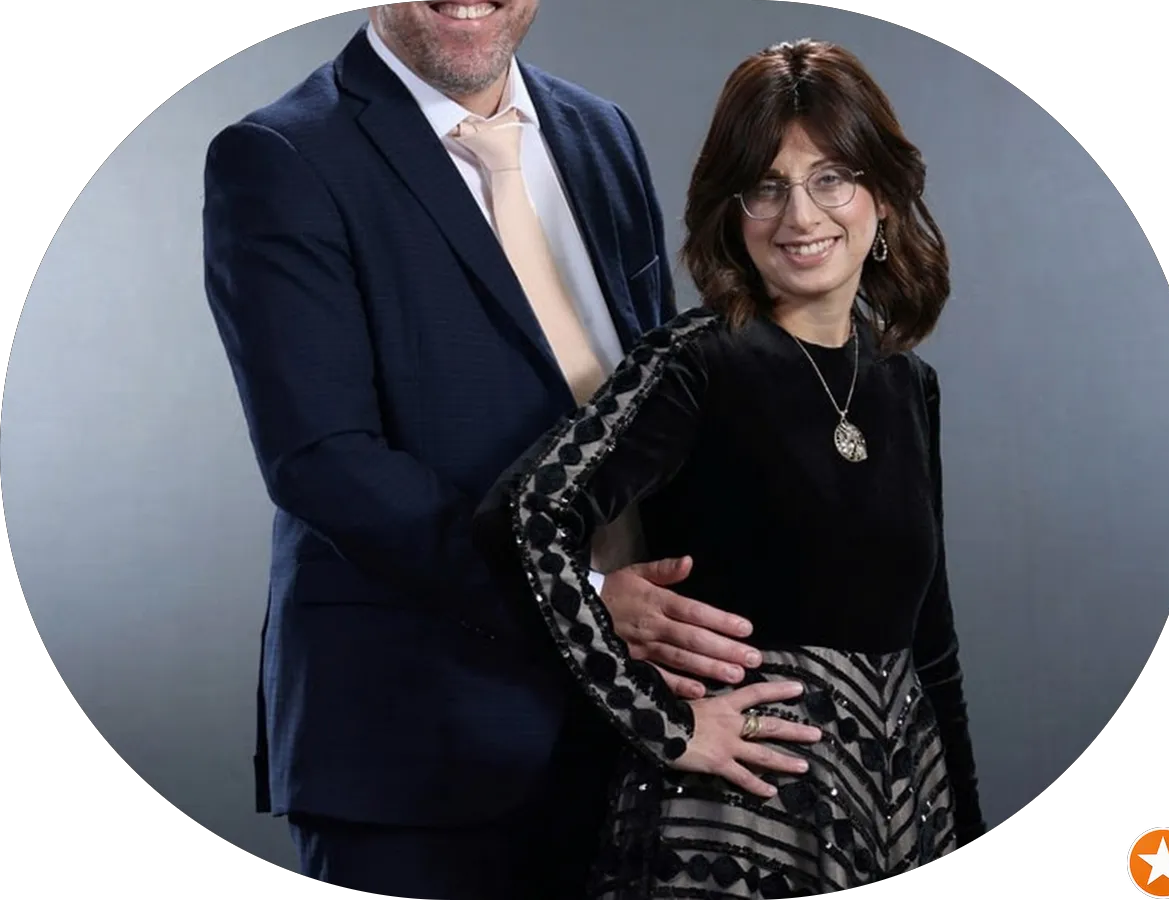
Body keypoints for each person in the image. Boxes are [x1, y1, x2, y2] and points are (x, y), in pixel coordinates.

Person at [200, 4, 803, 899]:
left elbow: (649, 407)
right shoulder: (282, 156)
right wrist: (581, 600)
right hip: (423, 747)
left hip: (636, 724)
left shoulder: (598, 132)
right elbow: (322, 460)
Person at [473, 38, 988, 898]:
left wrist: (964, 822)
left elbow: (932, 641)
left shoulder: (906, 382)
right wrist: (661, 724)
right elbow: (525, 517)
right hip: (734, 823)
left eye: (831, 178)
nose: (800, 216)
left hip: (902, 802)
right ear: (732, 210)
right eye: (766, 186)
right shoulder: (697, 362)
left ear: (885, 197)